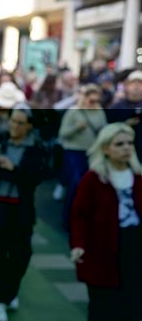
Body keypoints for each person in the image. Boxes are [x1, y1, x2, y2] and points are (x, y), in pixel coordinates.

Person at [70, 123, 142, 321]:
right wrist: (78, 244)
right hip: (102, 252)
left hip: (134, 250)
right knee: (102, 311)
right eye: (119, 144)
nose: (126, 148)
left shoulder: (138, 175)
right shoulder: (94, 178)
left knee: (133, 309)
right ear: (106, 149)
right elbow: (78, 214)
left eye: (129, 144)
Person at [0, 105, 47, 321]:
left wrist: (14, 169)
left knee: (21, 255)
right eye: (12, 121)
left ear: (29, 126)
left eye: (20, 122)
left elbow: (36, 177)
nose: (15, 126)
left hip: (21, 209)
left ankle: (10, 291)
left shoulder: (36, 148)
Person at [59, 84, 107, 229]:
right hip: (74, 152)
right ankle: (68, 217)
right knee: (76, 183)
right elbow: (63, 133)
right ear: (84, 99)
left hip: (92, 152)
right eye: (90, 101)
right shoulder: (74, 112)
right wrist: (77, 127)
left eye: (95, 101)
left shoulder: (99, 112)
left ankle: (86, 218)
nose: (93, 104)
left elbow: (103, 130)